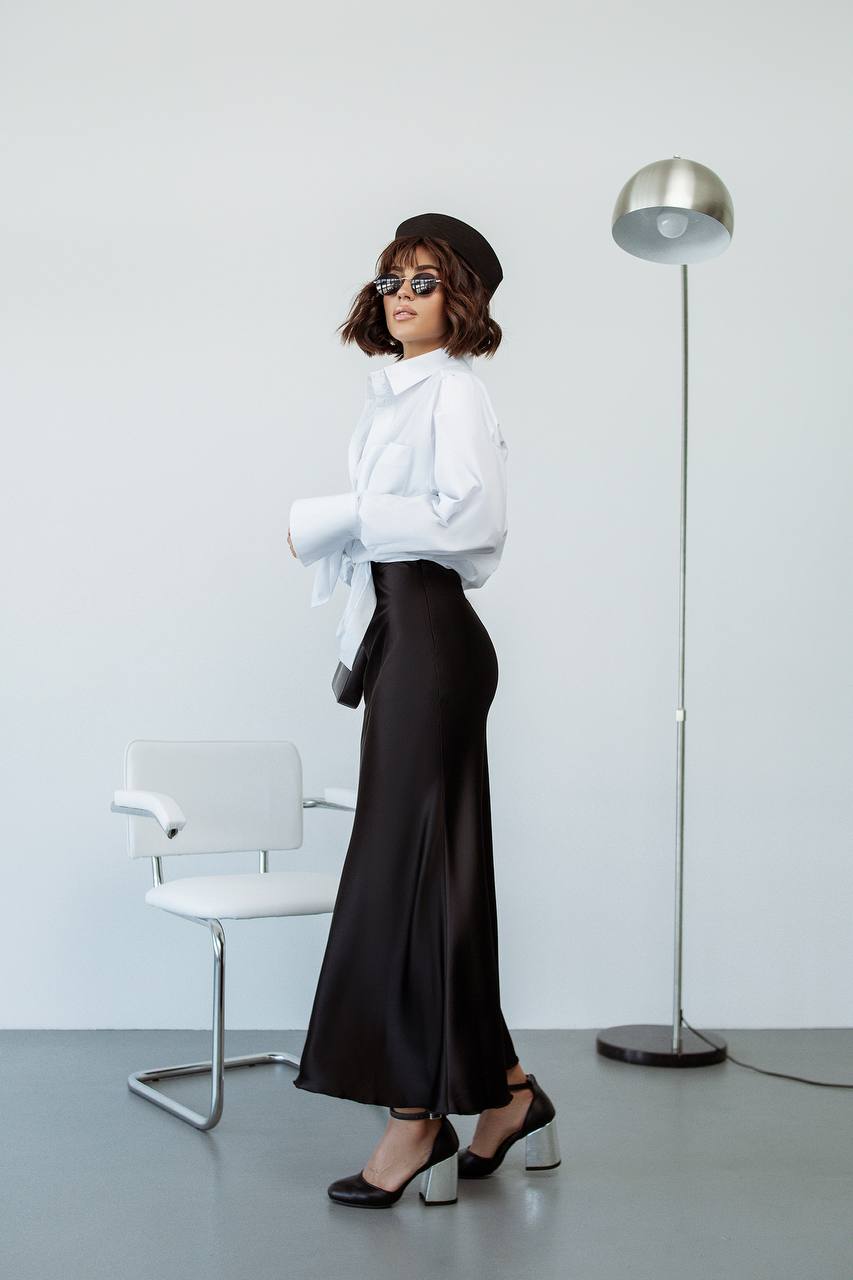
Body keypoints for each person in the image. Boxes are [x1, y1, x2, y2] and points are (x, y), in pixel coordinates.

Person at [287, 213, 560, 1208]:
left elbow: (475, 523)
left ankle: (416, 1116)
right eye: (393, 277)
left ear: (462, 301)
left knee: (400, 876)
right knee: (432, 875)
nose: (402, 294)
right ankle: (507, 1093)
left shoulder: (455, 392)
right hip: (407, 644)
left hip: (436, 643)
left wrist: (343, 515)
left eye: (426, 280)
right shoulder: (395, 395)